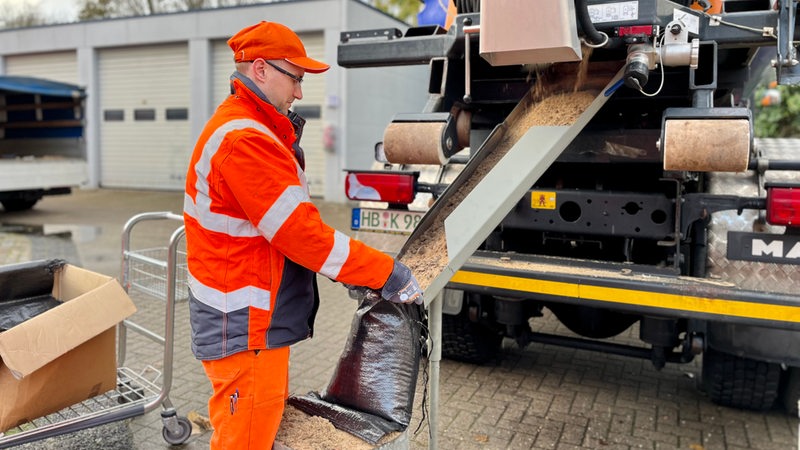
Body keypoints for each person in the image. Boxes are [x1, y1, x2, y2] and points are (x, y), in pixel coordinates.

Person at [183, 21, 423, 449]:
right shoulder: (245, 139)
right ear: (260, 69)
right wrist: (385, 272)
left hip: (245, 315)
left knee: (251, 428)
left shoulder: (253, 130)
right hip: (245, 322)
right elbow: (300, 234)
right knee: (245, 439)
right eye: (295, 77)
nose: (299, 92)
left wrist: (352, 270)